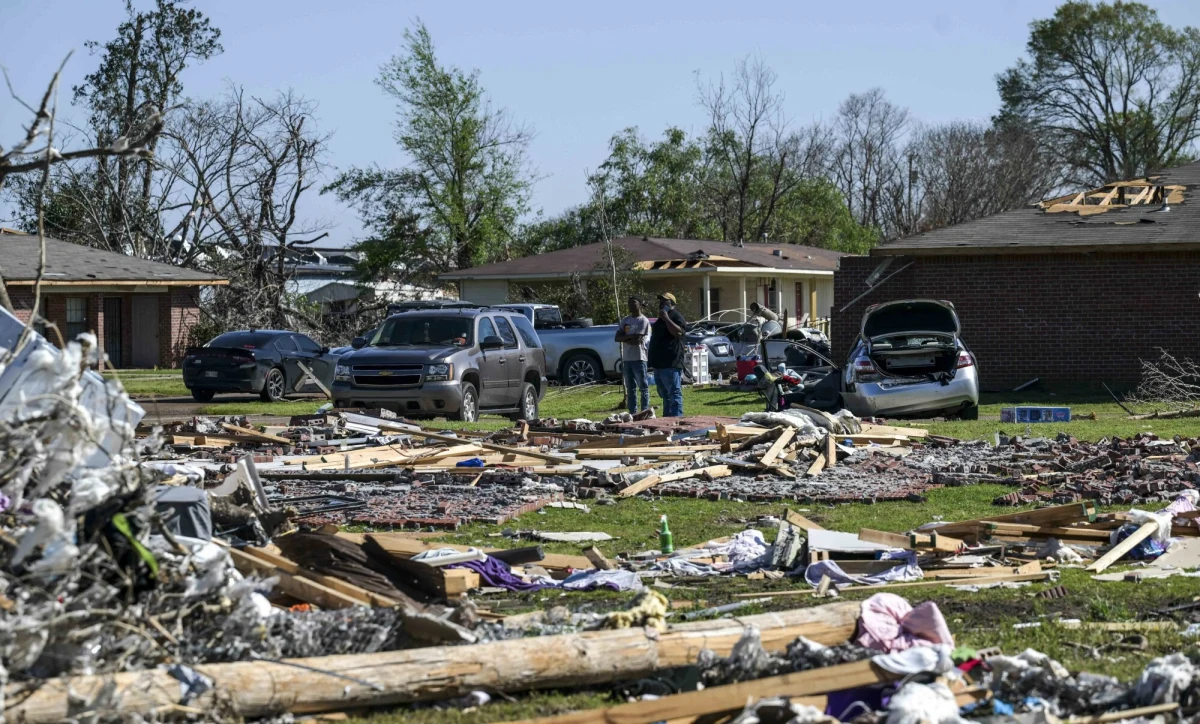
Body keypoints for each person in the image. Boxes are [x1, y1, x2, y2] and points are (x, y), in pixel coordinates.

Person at [648, 292, 687, 417]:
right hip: (659, 363)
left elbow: (678, 333)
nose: (661, 303)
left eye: (665, 301)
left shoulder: (676, 316)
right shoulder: (661, 318)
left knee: (674, 393)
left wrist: (666, 318)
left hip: (671, 362)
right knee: (664, 395)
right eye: (661, 301)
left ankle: (676, 420)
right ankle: (667, 419)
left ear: (672, 304)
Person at [614, 296, 651, 415]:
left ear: (640, 304)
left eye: (633, 302)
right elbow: (617, 337)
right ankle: (633, 413)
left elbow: (637, 341)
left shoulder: (643, 321)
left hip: (639, 358)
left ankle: (644, 411)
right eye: (628, 302)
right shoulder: (625, 320)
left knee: (643, 387)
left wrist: (625, 338)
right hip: (627, 359)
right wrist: (630, 337)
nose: (630, 304)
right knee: (630, 389)